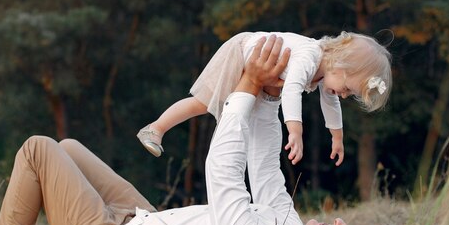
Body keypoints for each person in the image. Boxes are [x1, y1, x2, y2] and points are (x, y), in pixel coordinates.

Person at [0, 35, 383, 225]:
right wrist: (268, 98)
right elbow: (266, 170)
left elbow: (223, 172)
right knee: (70, 147)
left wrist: (247, 86)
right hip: (142, 224)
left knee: (39, 149)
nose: (340, 222)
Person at [137, 31, 392, 167]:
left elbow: (330, 102)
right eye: (347, 88)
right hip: (243, 51)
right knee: (205, 103)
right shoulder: (310, 57)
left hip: (260, 68)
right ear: (339, 64)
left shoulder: (327, 74)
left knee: (242, 116)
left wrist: (337, 137)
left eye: (350, 94)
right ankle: (155, 129)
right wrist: (295, 131)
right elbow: (291, 88)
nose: (344, 95)